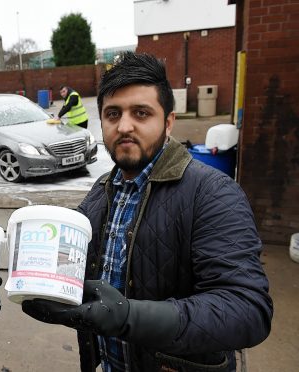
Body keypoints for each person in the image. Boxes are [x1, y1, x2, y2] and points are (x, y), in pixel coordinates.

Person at [22, 52, 273, 371]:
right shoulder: (101, 191)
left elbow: (248, 311)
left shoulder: (212, 193)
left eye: (141, 113)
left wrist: (128, 317)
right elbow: (70, 269)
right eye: (112, 114)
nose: (124, 126)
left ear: (168, 122)